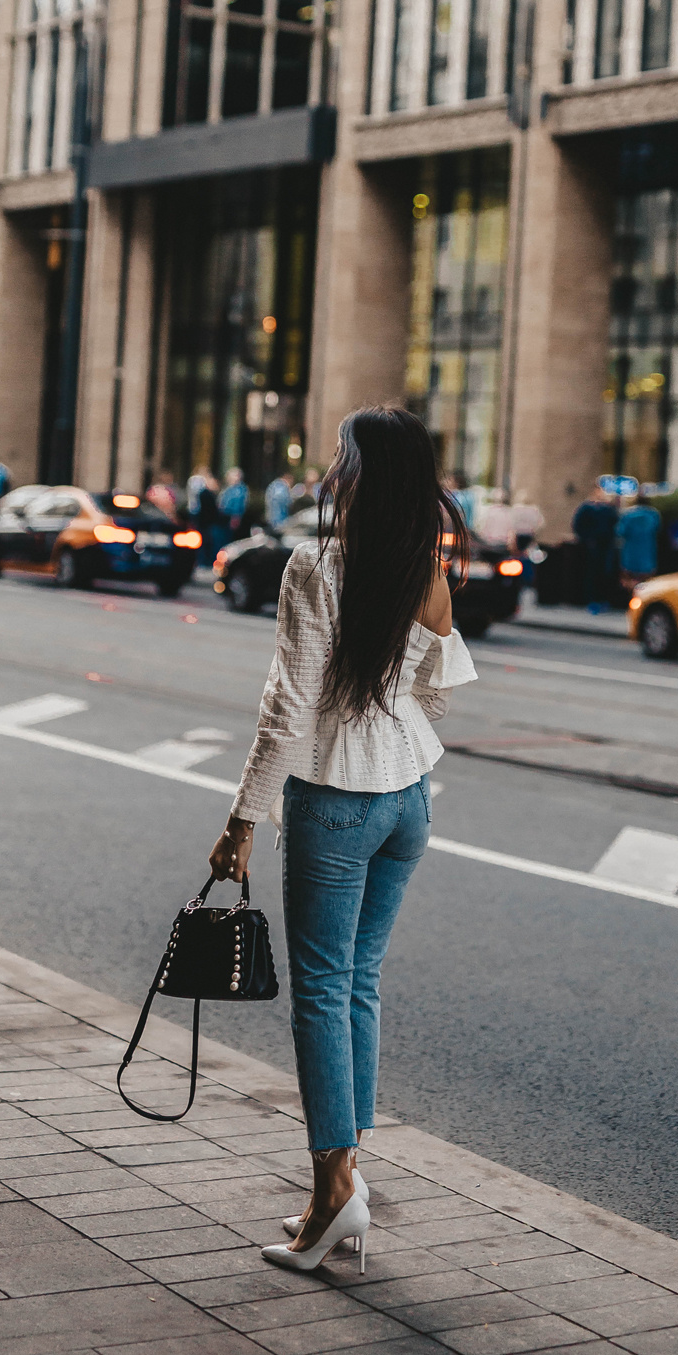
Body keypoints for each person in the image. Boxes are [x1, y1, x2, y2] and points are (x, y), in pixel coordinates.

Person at [209, 407, 477, 1276]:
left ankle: (330, 1194)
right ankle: (344, 1179)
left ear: (360, 474)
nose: (331, 468)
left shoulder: (314, 566)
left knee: (322, 993)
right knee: (357, 983)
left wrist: (240, 818)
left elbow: (287, 707)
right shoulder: (424, 573)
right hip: (408, 802)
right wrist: (390, 713)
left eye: (340, 456)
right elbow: (437, 694)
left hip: (333, 800)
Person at [572, 487, 619, 611]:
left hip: (605, 545)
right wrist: (587, 539)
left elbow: (615, 525)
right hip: (593, 545)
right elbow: (578, 525)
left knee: (605, 572)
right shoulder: (587, 508)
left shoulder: (608, 509)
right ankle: (592, 599)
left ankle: (602, 599)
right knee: (592, 572)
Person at [616, 493, 661, 591]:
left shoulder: (628, 514)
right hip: (647, 550)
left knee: (629, 576)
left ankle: (630, 596)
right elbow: (657, 530)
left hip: (630, 551)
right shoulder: (653, 515)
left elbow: (620, 532)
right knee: (645, 579)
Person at [218, 466, 249, 538]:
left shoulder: (239, 490)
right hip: (224, 517)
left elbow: (238, 505)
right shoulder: (228, 488)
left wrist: (236, 517)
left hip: (231, 517)